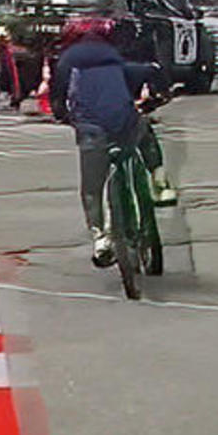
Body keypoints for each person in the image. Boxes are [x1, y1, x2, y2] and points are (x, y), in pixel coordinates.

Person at [49, 15, 175, 267]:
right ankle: (159, 182)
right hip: (124, 125)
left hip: (91, 131)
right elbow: (150, 73)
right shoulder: (116, 59)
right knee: (144, 130)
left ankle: (101, 238)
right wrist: (159, 94)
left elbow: (57, 99)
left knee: (92, 189)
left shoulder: (66, 63)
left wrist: (63, 115)